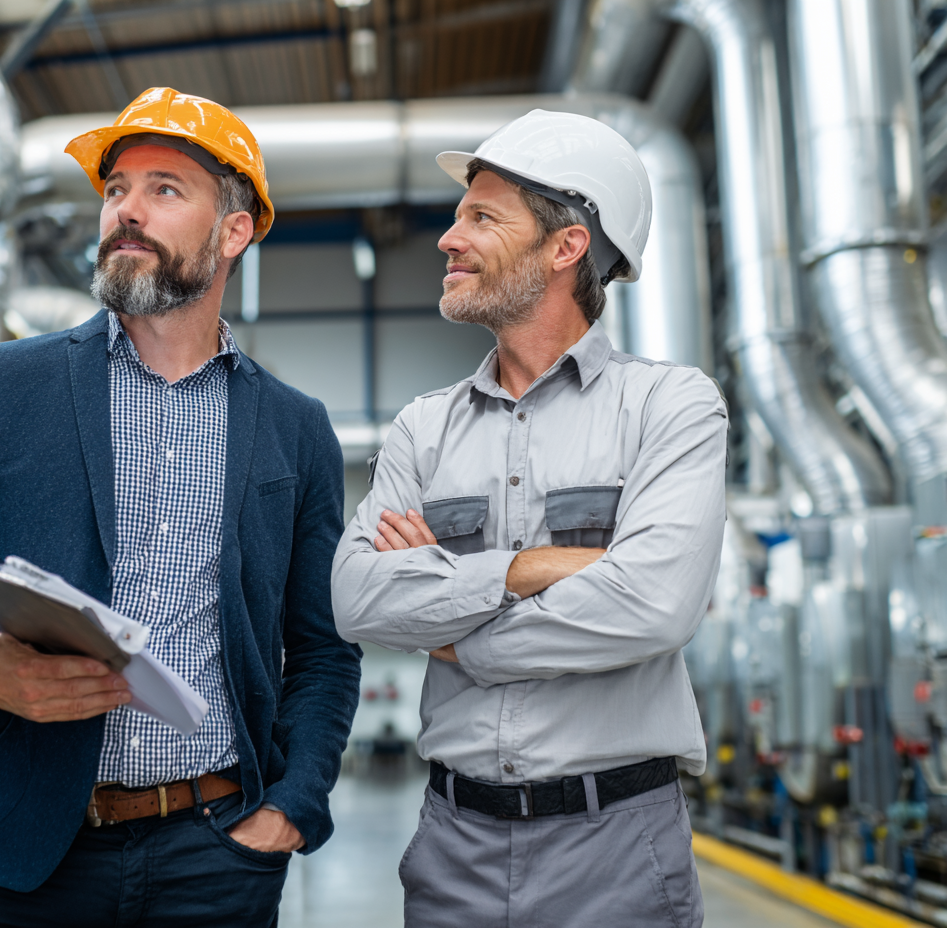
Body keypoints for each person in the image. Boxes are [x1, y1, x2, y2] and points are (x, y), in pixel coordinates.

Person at [0, 86, 361, 928]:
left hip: (216, 854)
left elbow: (320, 650)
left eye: (164, 189)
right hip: (17, 860)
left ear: (233, 230)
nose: (127, 211)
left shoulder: (296, 428)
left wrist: (288, 809)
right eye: (114, 190)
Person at [331, 109, 727, 927]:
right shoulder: (423, 428)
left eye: (481, 215)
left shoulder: (669, 406)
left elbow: (653, 605)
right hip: (452, 847)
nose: (448, 238)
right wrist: (526, 570)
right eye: (456, 214)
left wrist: (448, 626)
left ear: (564, 246)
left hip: (619, 853)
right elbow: (358, 599)